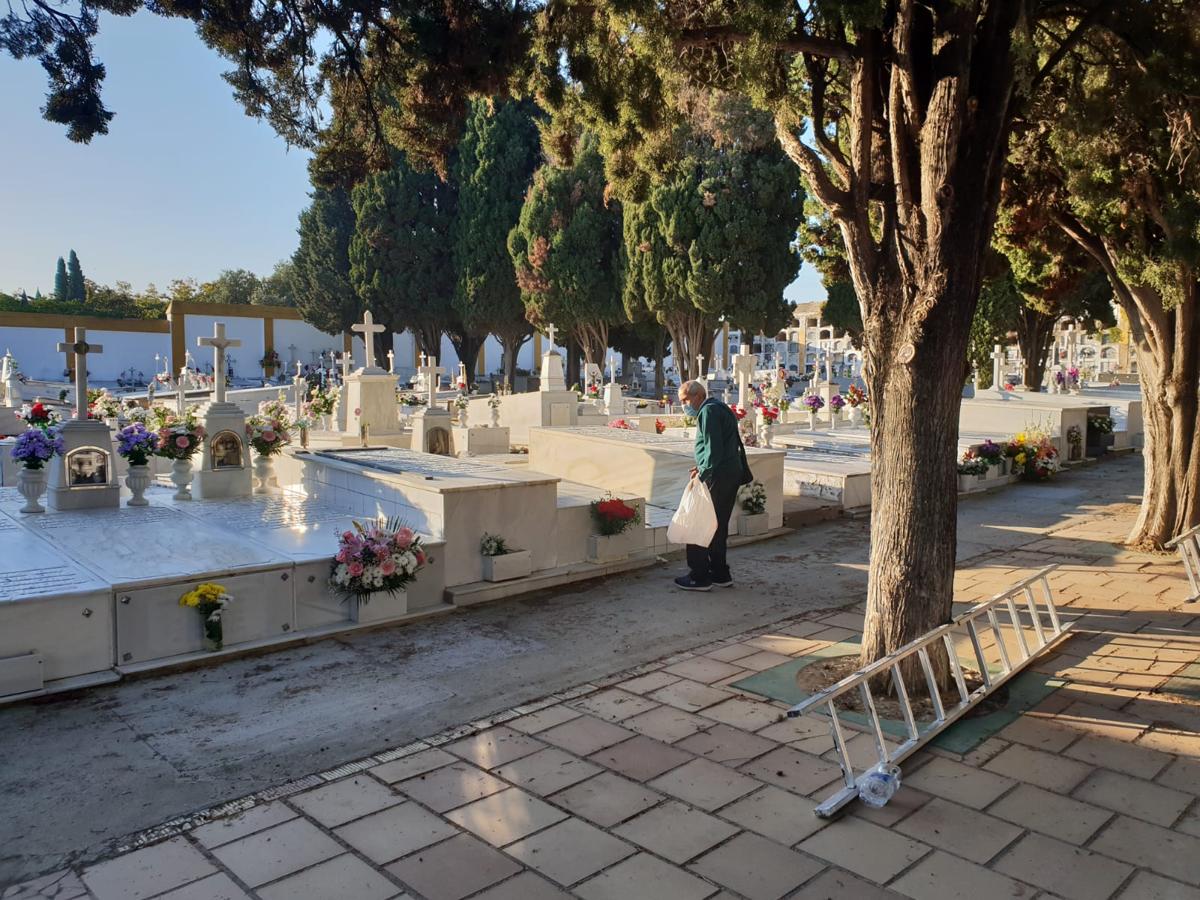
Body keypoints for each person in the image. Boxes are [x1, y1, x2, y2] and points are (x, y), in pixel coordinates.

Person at [675, 379, 752, 591]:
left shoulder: (708, 412)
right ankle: (720, 573)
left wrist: (703, 472)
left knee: (698, 522)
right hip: (729, 473)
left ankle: (699, 576)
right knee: (718, 525)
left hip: (716, 476)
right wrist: (701, 466)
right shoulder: (720, 407)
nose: (684, 405)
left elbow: (713, 448)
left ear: (698, 396)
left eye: (685, 400)